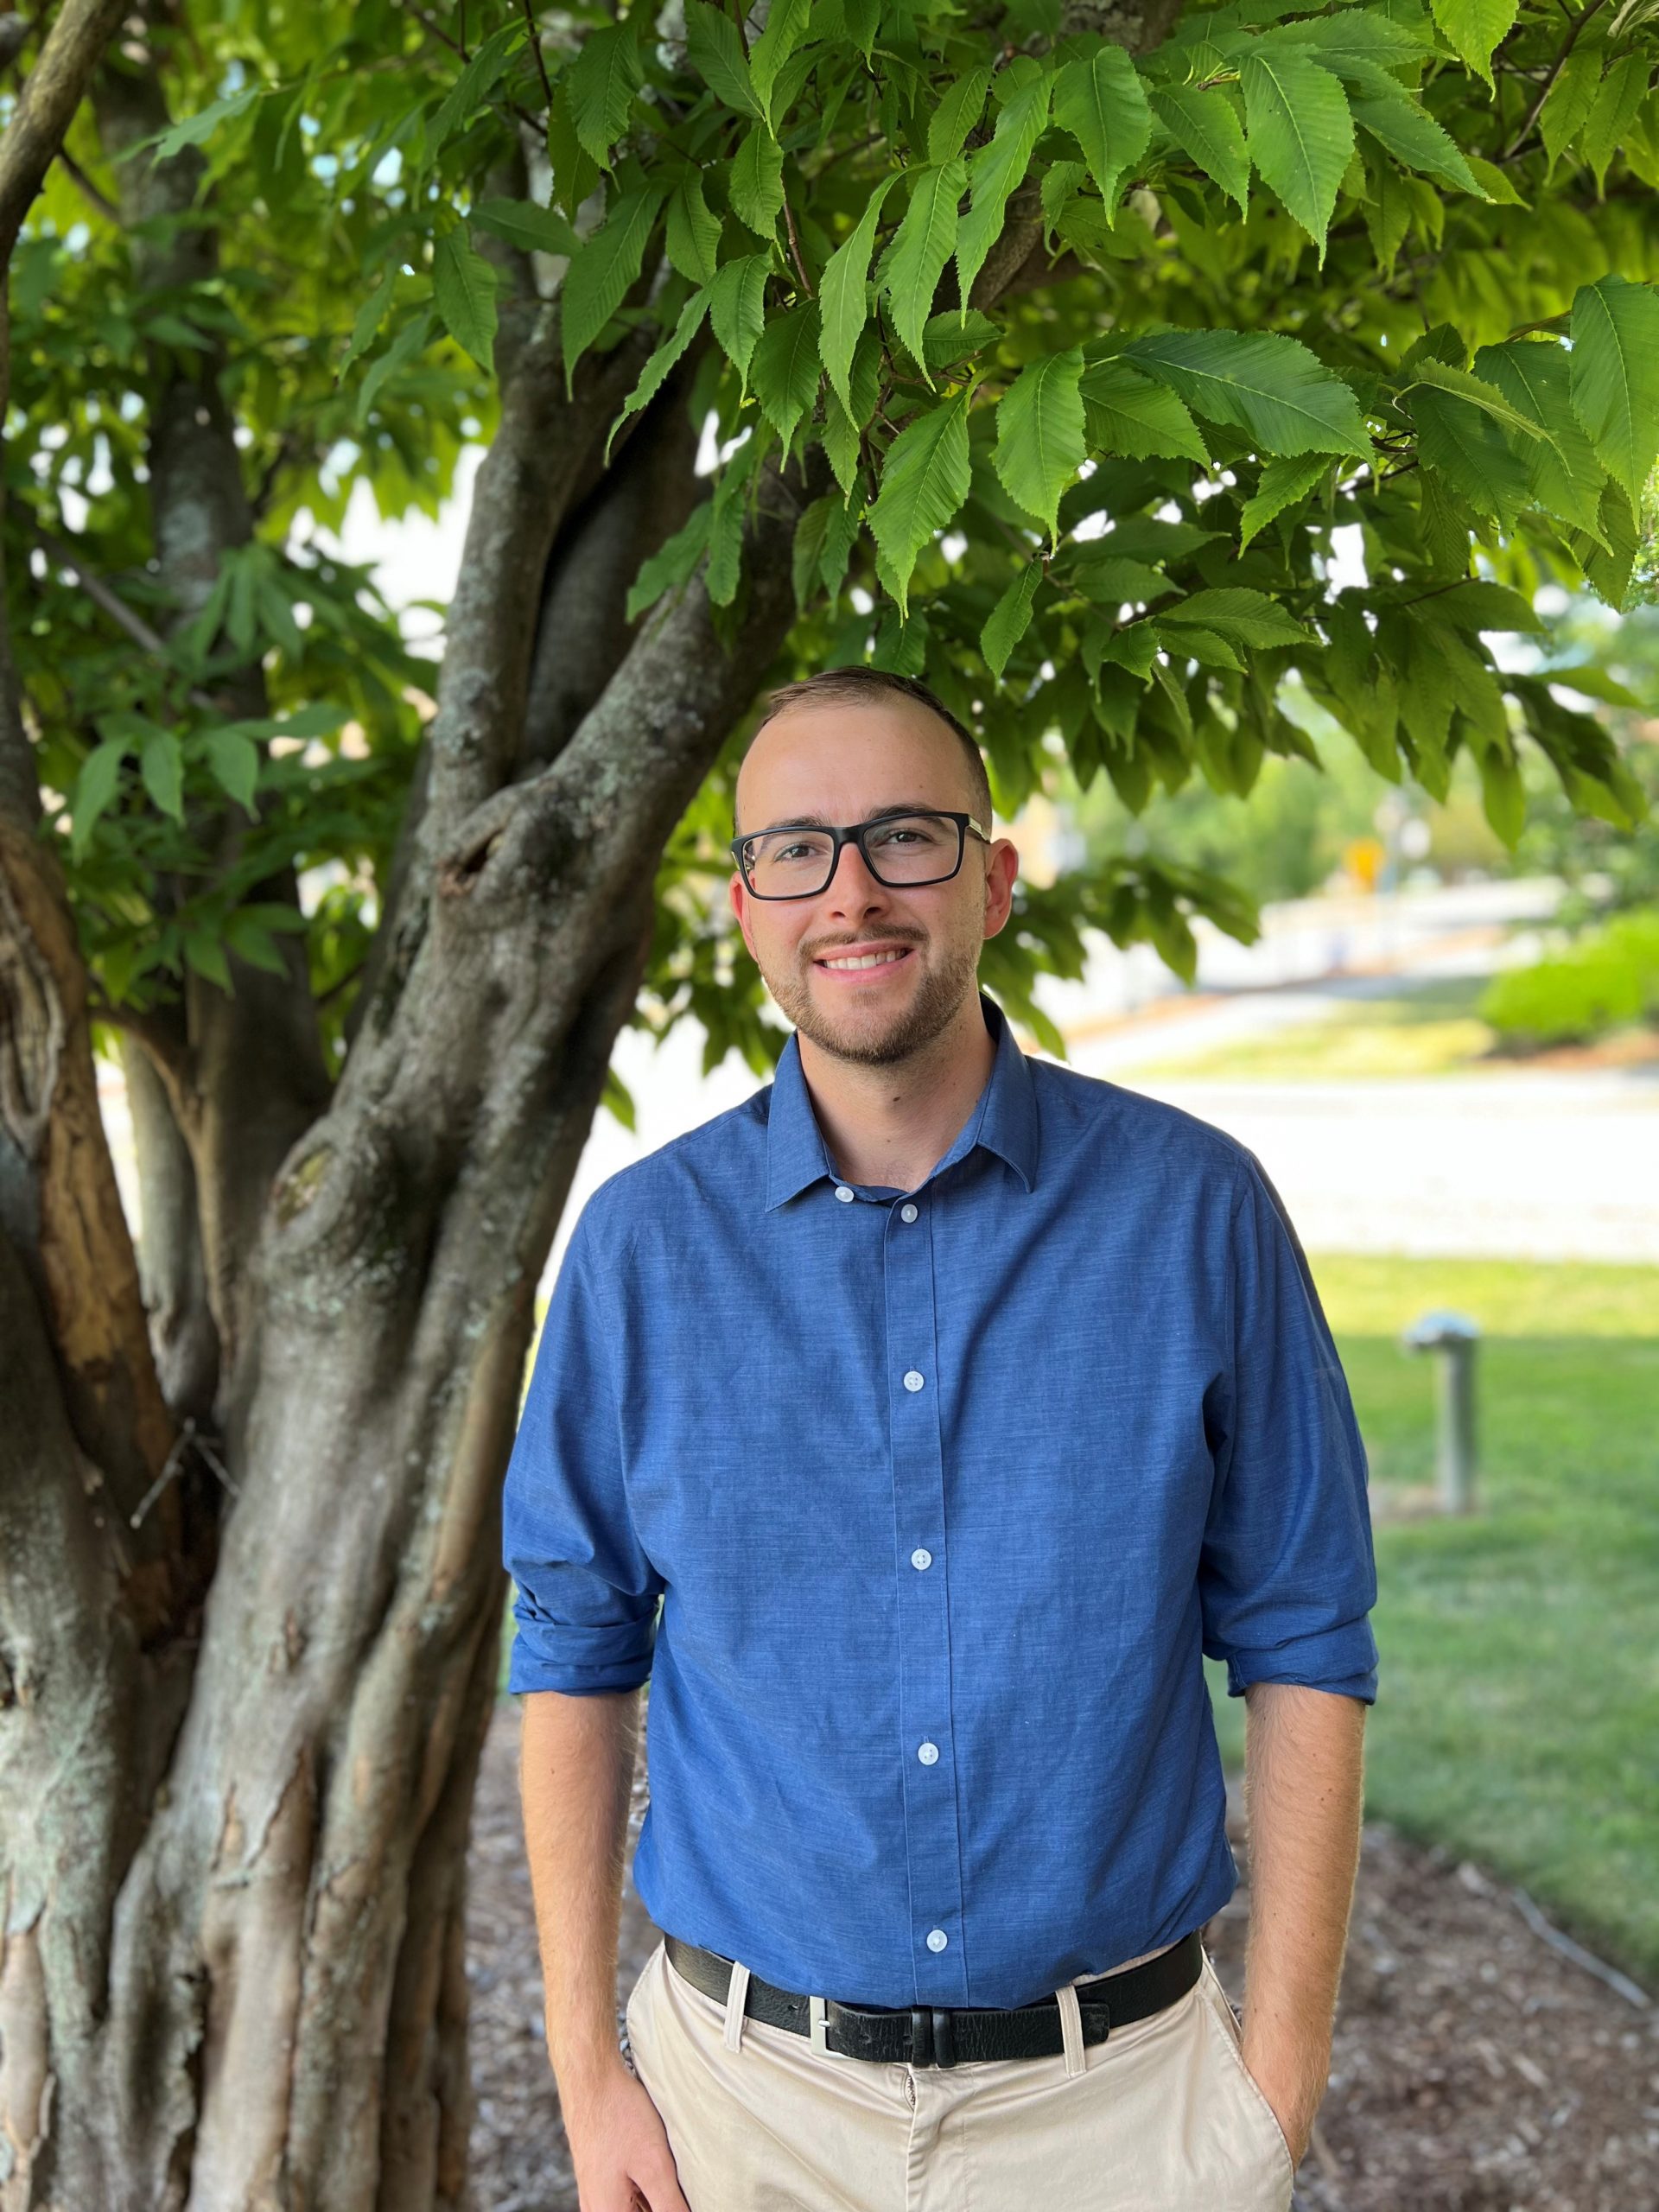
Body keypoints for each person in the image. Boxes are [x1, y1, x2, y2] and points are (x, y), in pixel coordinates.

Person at [503, 666, 1378, 2212]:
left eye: (905, 836)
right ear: (746, 904)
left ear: (995, 876)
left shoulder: (1197, 1214)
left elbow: (1306, 1631)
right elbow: (574, 1652)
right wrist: (588, 2073)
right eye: (798, 850)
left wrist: (1278, 2077)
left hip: (1123, 2125)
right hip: (738, 2117)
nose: (851, 890)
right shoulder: (641, 1252)